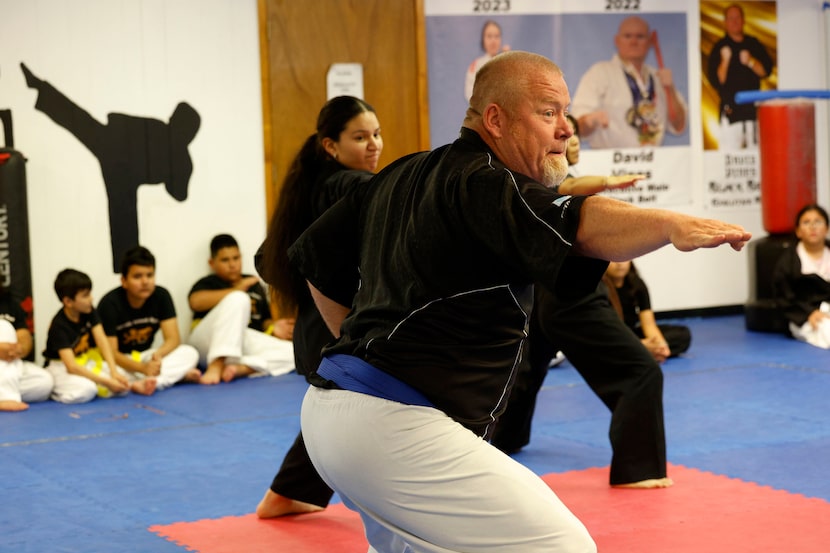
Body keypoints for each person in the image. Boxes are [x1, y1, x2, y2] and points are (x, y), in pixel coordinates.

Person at [288, 51, 750, 552]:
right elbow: (583, 223)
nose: (565, 130)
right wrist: (667, 225)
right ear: (495, 119)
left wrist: (359, 360)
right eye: (549, 113)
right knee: (563, 546)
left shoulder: (406, 171)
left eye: (566, 113)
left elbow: (315, 259)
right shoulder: (483, 181)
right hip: (392, 429)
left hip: (329, 417)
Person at [491, 116, 670, 489]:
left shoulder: (529, 181)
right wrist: (606, 183)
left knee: (524, 374)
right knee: (641, 372)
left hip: (541, 296)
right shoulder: (545, 182)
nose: (569, 138)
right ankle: (639, 471)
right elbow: (570, 186)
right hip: (569, 296)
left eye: (572, 136)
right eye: (560, 135)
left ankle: (502, 440)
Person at [255, 96, 383, 518]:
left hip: (325, 329)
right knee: (363, 411)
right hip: (333, 330)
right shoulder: (341, 185)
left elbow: (267, 260)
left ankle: (286, 494)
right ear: (331, 145)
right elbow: (269, 262)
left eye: (377, 135)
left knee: (345, 413)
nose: (374, 145)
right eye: (360, 137)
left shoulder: (313, 189)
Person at [21, 63, 200, 272]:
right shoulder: (170, 143)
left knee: (79, 122)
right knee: (124, 216)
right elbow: (178, 193)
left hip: (118, 164)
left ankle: (125, 267)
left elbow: (178, 192)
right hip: (115, 154)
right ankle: (41, 88)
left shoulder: (176, 152)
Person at [187, 234, 294, 384]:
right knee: (239, 298)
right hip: (208, 343)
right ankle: (217, 364)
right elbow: (195, 302)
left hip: (241, 340)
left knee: (294, 352)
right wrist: (237, 289)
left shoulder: (254, 284)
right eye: (225, 260)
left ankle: (241, 368)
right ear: (212, 263)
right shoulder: (208, 283)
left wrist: (273, 327)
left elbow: (264, 320)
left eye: (236, 258)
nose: (232, 264)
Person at [572, 16, 687, 149]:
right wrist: (590, 121)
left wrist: (670, 89)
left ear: (650, 42)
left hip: (654, 164)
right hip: (611, 165)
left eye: (640, 36)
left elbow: (679, 127)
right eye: (627, 36)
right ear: (617, 41)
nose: (634, 41)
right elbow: (576, 128)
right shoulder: (599, 73)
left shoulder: (658, 77)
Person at [43, 268, 157, 403]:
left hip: (85, 361)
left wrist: (113, 371)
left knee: (122, 375)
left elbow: (102, 340)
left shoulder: (89, 310)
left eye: (90, 293)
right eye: (85, 296)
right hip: (61, 366)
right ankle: (56, 392)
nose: (91, 298)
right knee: (87, 389)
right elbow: (71, 366)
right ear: (68, 301)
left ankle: (131, 386)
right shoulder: (59, 325)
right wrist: (107, 382)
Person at [97, 246, 201, 391]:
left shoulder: (162, 296)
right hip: (121, 361)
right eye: (137, 276)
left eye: (150, 275)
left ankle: (149, 382)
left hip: (147, 356)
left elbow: (173, 339)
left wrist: (155, 359)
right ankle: (171, 377)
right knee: (100, 372)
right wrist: (142, 368)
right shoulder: (110, 303)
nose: (145, 282)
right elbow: (111, 352)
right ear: (124, 281)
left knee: (190, 353)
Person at [706, 3, 774, 150]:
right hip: (730, 113)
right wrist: (725, 61)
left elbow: (766, 72)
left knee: (756, 159)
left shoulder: (753, 44)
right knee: (729, 160)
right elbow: (717, 82)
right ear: (725, 22)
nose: (735, 21)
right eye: (731, 18)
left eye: (737, 17)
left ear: (743, 20)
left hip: (752, 113)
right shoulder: (719, 47)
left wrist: (751, 62)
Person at [603, 260, 691, 361]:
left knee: (683, 334)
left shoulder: (636, 284)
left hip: (631, 334)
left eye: (624, 259)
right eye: (614, 259)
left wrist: (659, 345)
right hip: (610, 336)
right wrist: (641, 344)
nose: (619, 263)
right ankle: (640, 350)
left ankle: (641, 351)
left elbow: (648, 324)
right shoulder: (599, 287)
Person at [772, 204, 830, 348]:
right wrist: (809, 313)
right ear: (798, 231)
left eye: (818, 222)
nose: (813, 227)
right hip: (804, 316)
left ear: (827, 228)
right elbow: (783, 298)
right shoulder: (788, 262)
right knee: (826, 330)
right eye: (806, 222)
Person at [0, 287, 53, 411]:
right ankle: (5, 397)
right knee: (3, 326)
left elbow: (24, 335)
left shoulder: (9, 303)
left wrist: (20, 348)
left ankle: (6, 391)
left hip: (10, 365)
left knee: (44, 382)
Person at [464, 20, 510, 102]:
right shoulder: (476, 65)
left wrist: (508, 62)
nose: (493, 41)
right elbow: (469, 93)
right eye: (489, 36)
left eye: (496, 36)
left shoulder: (509, 63)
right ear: (483, 39)